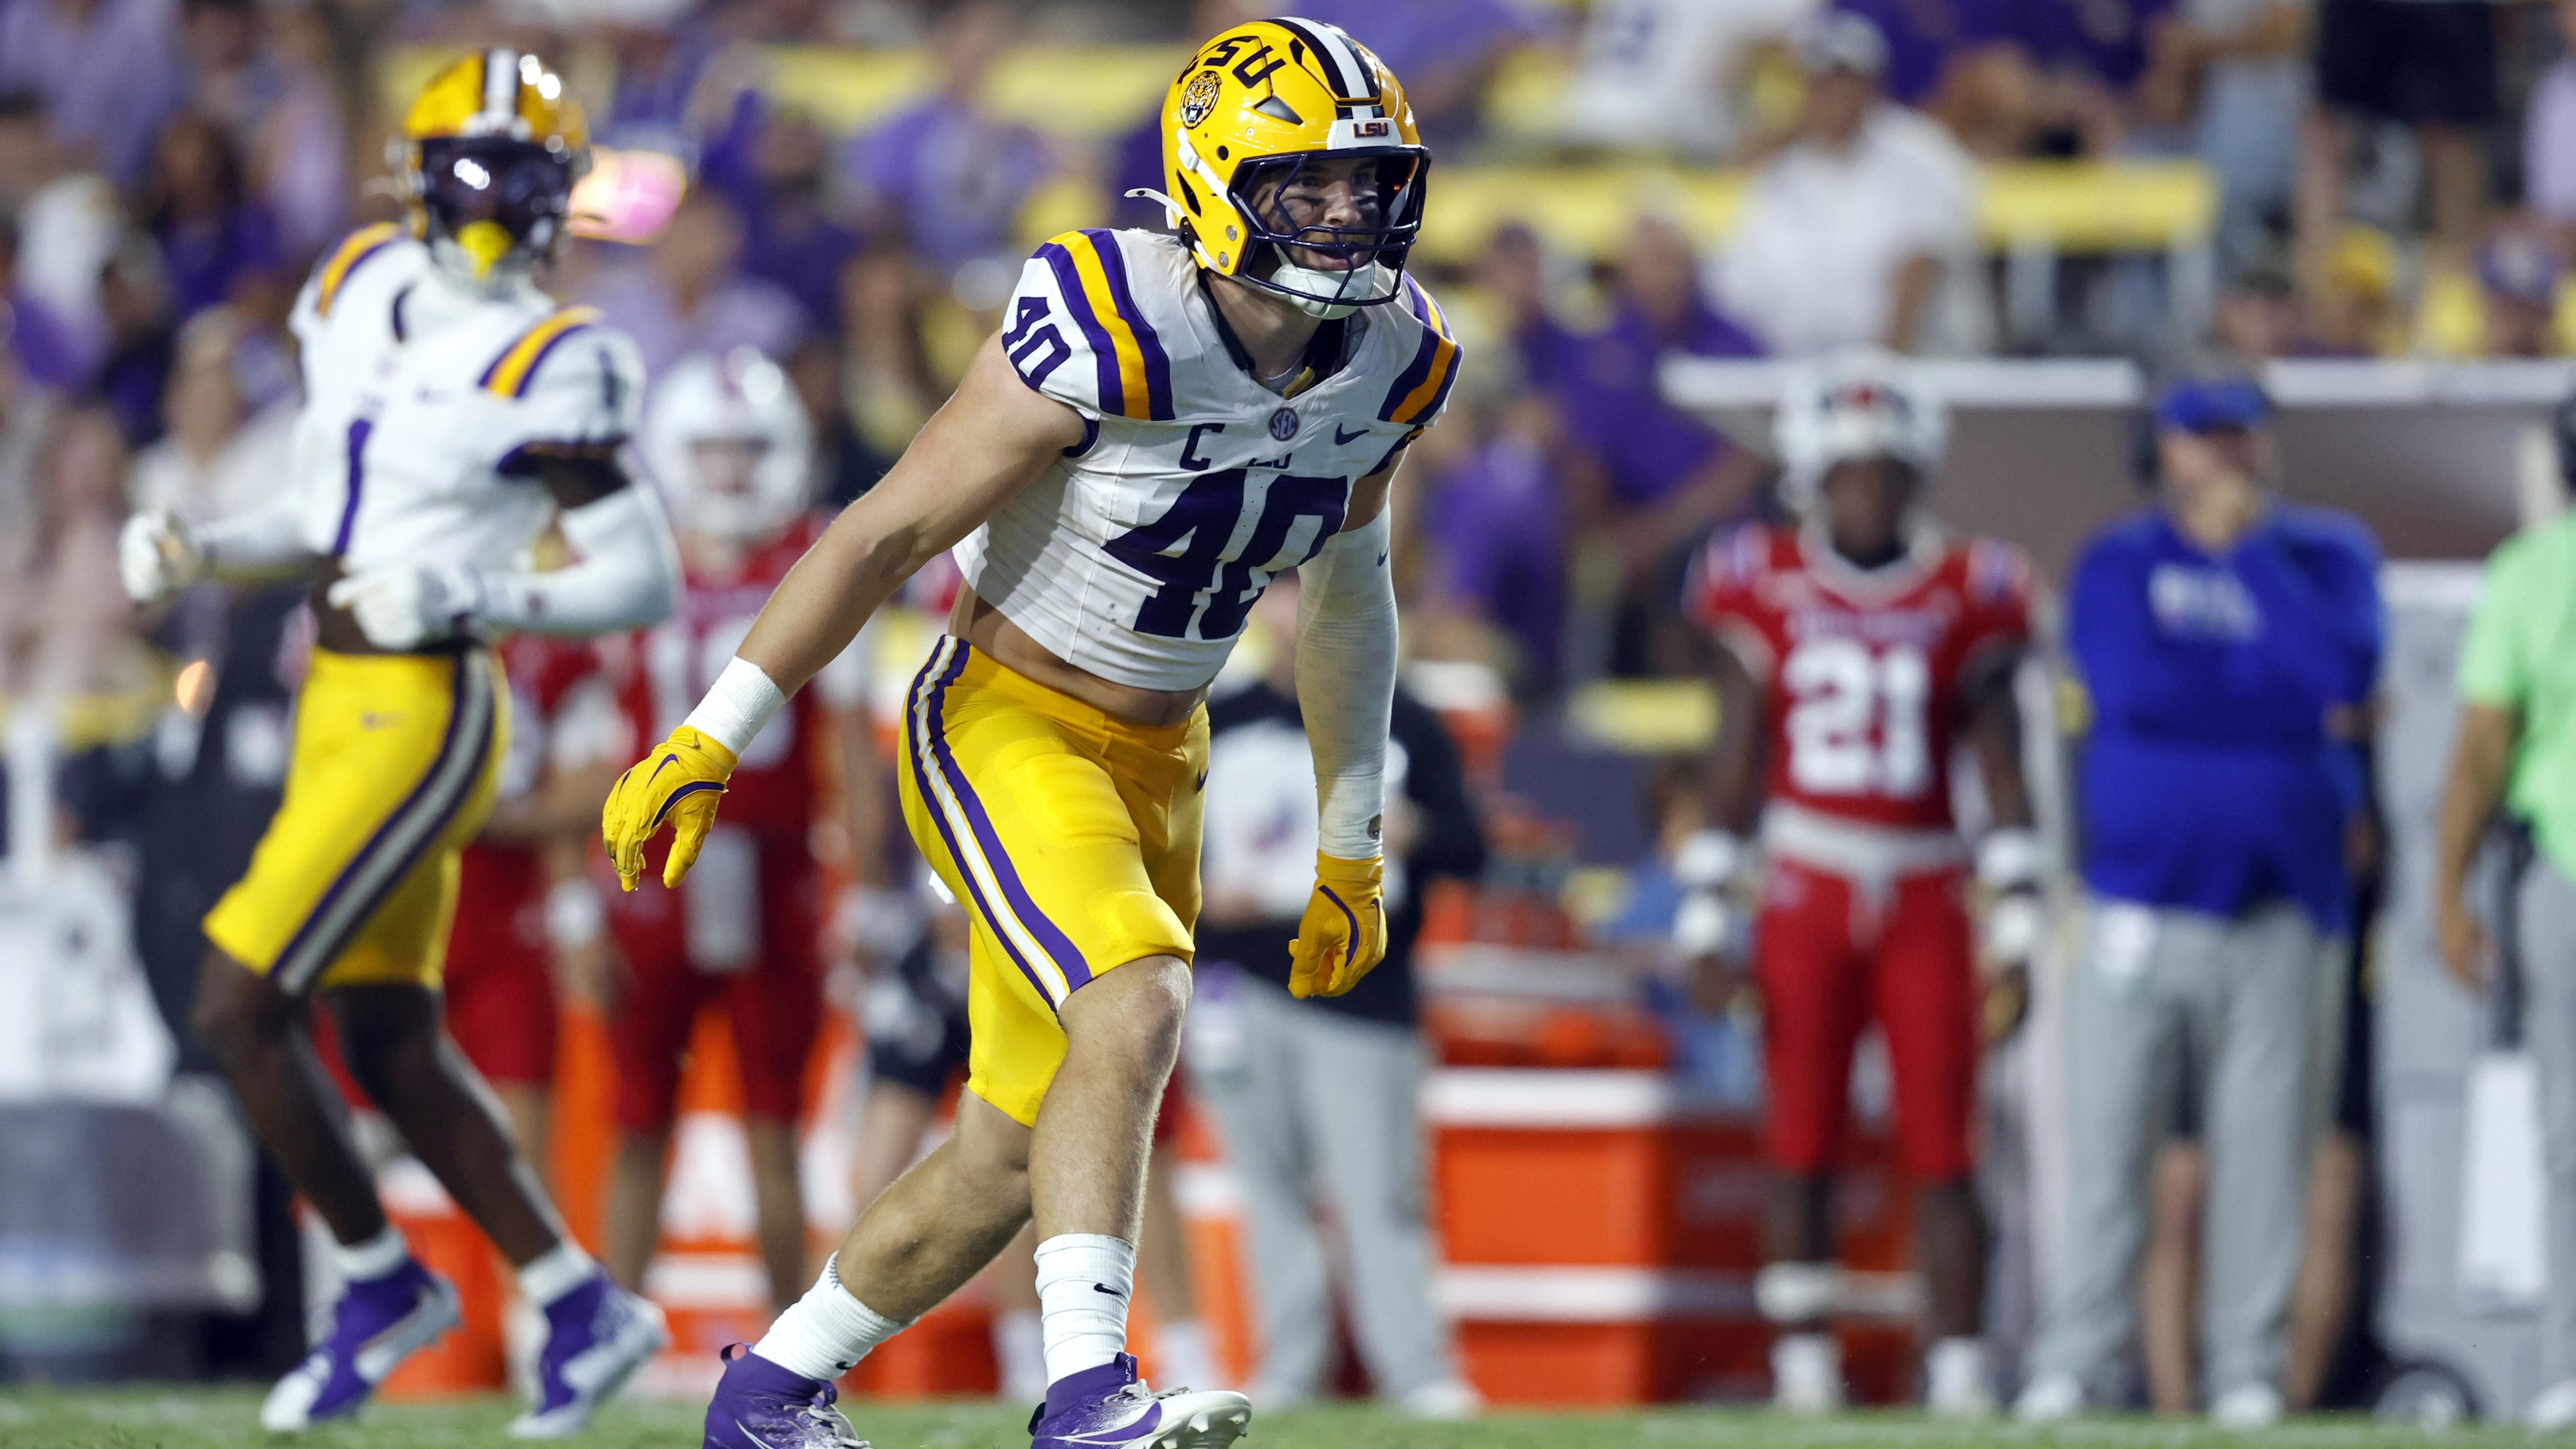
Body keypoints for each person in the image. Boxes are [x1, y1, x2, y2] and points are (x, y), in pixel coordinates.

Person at [600, 19, 1456, 1448]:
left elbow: (1349, 606)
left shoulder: (1393, 358)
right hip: (1006, 715)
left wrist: (1351, 843)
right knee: (1134, 999)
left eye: (1372, 185)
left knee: (1013, 1149)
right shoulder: (1114, 318)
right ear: (1217, 176)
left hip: (1162, 756)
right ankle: (1085, 1395)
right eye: (1313, 184)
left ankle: (767, 1390)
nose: (1353, 216)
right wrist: (716, 731)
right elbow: (884, 529)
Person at [115, 50, 680, 1435]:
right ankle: (579, 1298)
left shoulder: (564, 356)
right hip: (335, 686)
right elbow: (324, 513)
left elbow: (642, 575)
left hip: (429, 699)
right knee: (389, 1032)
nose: (490, 203)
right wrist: (203, 543)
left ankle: (377, 1279)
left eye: (520, 175)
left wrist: (481, 589)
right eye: (468, 170)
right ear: (417, 179)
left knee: (237, 1000)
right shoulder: (360, 286)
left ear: (561, 197)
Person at [1675, 351, 2042, 1414]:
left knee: (1945, 1140)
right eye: (1848, 470)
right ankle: (1805, 1369)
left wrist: (2015, 929)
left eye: (1886, 469)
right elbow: (1731, 763)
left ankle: (1962, 1369)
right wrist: (1708, 911)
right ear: (1809, 476)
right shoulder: (1762, 576)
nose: (1868, 489)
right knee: (1799, 1133)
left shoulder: (1972, 587)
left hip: (1927, 887)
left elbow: (2002, 767)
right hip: (1806, 881)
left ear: (1917, 472)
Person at [2017, 376, 2381, 1428]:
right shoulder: (2119, 558)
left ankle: (2246, 1370)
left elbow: (2339, 671)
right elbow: (2132, 686)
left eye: (2235, 438)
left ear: (2263, 448)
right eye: (2198, 440)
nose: (2219, 460)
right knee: (2106, 1153)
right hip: (2137, 898)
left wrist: (2250, 566)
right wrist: (2257, 693)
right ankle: (2076, 1356)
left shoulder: (2325, 553)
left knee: (2268, 1157)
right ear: (2163, 451)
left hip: (2284, 902)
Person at [598, 348, 859, 1318]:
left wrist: (865, 888)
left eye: (748, 450)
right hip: (651, 873)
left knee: (774, 1128)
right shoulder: (640, 558)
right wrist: (575, 902)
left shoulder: (813, 549)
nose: (731, 473)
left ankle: (790, 1358)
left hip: (775, 870)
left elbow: (844, 744)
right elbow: (588, 734)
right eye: (710, 451)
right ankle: (609, 1341)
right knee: (637, 1120)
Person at [1193, 578, 1485, 1414]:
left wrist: (1414, 828)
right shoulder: (1220, 714)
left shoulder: (1404, 715)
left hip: (1363, 994)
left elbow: (1471, 845)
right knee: (1271, 1189)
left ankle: (1417, 1368)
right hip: (1243, 983)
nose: (1299, 613)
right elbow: (1160, 845)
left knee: (1381, 1194)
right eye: (1284, 593)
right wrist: (1207, 896)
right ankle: (1291, 1362)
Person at [2434, 391, 2576, 1431]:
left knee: (2570, 1132)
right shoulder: (2533, 570)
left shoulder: (2536, 568)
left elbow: (2483, 745)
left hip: (2563, 872)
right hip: (2564, 866)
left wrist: (2445, 887)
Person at [440, 633, 625, 1173]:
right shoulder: (379, 625)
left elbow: (593, 790)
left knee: (515, 1168)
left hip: (508, 922)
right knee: (356, 1159)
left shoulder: (556, 647)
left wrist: (575, 916)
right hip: (394, 914)